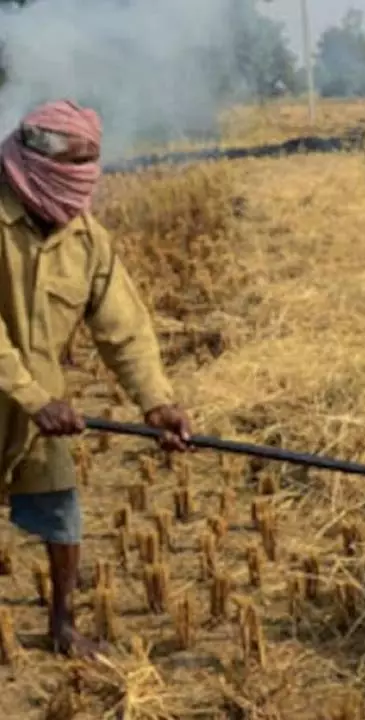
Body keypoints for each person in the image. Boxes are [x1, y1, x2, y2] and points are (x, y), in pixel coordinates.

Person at [0, 99, 193, 658]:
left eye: (91, 164)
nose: (82, 180)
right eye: (73, 164)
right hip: (27, 396)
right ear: (33, 161)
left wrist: (157, 404)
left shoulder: (87, 241)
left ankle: (62, 626)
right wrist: (35, 397)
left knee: (62, 510)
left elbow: (123, 327)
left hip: (37, 407)